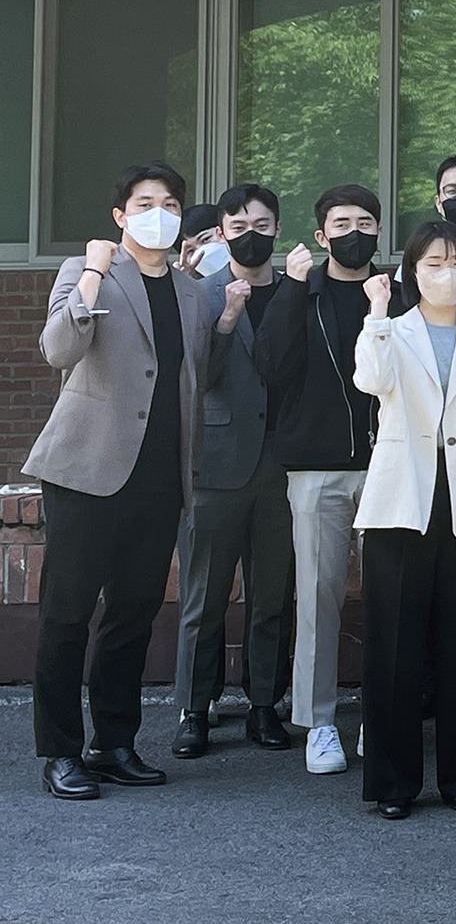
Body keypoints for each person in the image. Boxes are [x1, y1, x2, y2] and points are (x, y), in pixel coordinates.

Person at [30, 163, 210, 800]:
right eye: (144, 203)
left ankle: (113, 742)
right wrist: (93, 270)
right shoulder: (89, 272)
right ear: (120, 216)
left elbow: (192, 377)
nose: (158, 213)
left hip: (158, 477)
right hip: (86, 471)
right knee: (66, 616)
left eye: (170, 204)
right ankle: (60, 751)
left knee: (133, 615)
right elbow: (58, 350)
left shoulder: (192, 292)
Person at [350, 222, 456, 818]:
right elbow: (370, 380)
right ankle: (392, 784)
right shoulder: (390, 330)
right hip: (401, 501)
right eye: (434, 264)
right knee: (393, 645)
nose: (448, 275)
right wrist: (376, 311)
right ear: (412, 272)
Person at [253, 182, 383, 777]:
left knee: (391, 598)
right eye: (341, 224)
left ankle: (382, 714)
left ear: (378, 231)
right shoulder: (301, 291)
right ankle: (319, 722)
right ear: (321, 234)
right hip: (316, 468)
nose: (354, 233)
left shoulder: (396, 293)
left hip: (388, 467)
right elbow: (270, 364)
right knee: (317, 597)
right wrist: (291, 287)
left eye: (365, 223)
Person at [172, 183, 295, 759]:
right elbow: (194, 376)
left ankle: (265, 704)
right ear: (221, 233)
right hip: (216, 461)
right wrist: (227, 319)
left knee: (272, 595)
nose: (252, 235)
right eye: (239, 226)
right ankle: (195, 709)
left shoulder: (297, 291)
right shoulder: (201, 293)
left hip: (284, 463)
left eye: (262, 225)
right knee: (204, 597)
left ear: (278, 229)